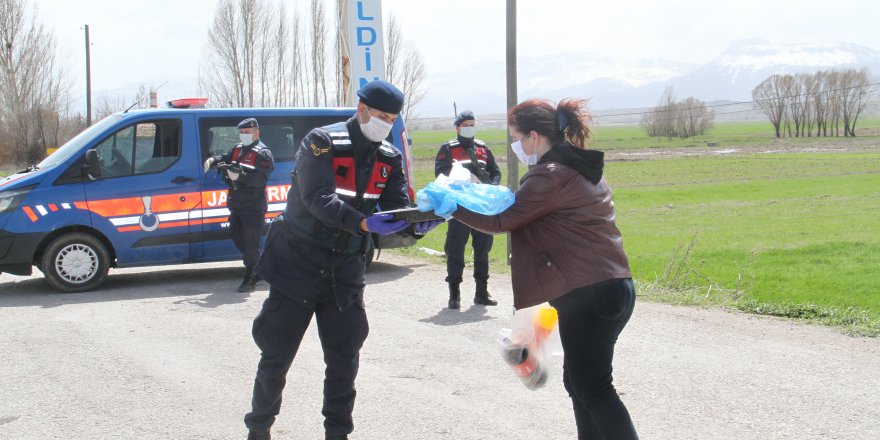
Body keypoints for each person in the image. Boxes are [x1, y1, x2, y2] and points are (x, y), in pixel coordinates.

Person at [243, 80, 441, 440]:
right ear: (362, 109)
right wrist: (362, 222)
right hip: (298, 263)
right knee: (276, 355)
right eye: (381, 116)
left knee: (344, 360)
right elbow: (318, 198)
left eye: (392, 118)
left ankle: (338, 433)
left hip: (346, 269)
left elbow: (396, 208)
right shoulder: (321, 142)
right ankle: (259, 429)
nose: (385, 124)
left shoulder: (389, 156)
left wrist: (419, 223)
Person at [452, 99, 639, 439]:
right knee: (580, 384)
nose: (516, 146)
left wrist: (453, 207)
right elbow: (520, 208)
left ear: (535, 138)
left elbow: (501, 220)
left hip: (590, 293)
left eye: (517, 138)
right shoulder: (579, 167)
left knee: (594, 388)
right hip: (608, 288)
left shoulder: (550, 175)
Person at [434, 110, 502, 309]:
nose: (469, 128)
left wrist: (493, 184)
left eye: (472, 124)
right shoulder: (447, 148)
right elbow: (440, 174)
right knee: (456, 250)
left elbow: (495, 171)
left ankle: (481, 293)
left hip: (481, 207)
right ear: (457, 128)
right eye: (465, 125)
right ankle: (454, 295)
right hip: (460, 207)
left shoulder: (482, 147)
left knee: (483, 250)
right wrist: (463, 176)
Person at [204, 118, 275, 292]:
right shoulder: (237, 149)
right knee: (236, 235)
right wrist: (214, 159)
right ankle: (258, 266)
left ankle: (250, 278)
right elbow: (226, 158)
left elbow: (260, 179)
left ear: (256, 133)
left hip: (253, 206)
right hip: (237, 204)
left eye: (247, 133)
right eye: (242, 133)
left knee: (251, 243)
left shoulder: (263, 153)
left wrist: (241, 177)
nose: (244, 136)